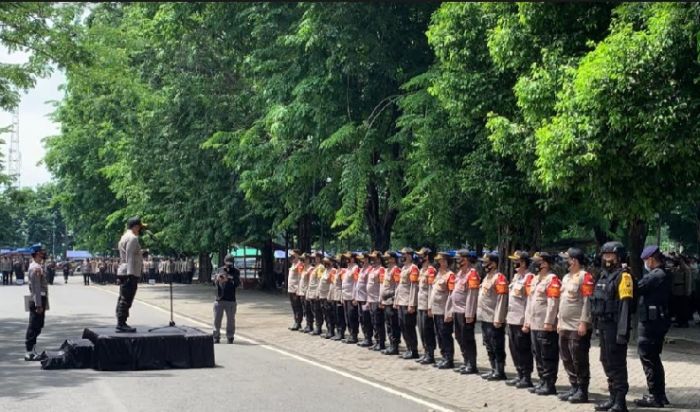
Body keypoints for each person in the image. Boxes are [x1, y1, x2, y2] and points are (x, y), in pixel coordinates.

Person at [591, 241, 634, 412]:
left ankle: (620, 401)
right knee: (606, 361)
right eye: (604, 255)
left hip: (616, 326)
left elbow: (625, 306)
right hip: (603, 325)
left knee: (617, 364)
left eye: (610, 255)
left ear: (619, 256)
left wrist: (622, 332)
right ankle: (612, 397)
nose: (606, 258)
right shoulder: (603, 276)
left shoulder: (624, 276)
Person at [634, 245, 672, 408]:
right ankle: (659, 394)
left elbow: (638, 288)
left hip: (650, 323)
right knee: (654, 358)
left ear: (650, 259)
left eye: (645, 261)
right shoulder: (664, 273)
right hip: (657, 321)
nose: (645, 264)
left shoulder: (656, 275)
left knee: (648, 358)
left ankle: (655, 395)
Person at [556, 248, 595, 403]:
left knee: (579, 358)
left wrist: (584, 322)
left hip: (577, 325)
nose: (566, 262)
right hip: (564, 325)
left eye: (568, 259)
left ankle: (582, 390)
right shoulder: (566, 277)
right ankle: (573, 387)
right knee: (566, 357)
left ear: (575, 260)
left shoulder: (585, 277)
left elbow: (587, 301)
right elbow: (561, 301)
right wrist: (559, 321)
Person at [523, 252, 561, 396]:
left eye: (537, 261)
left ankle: (550, 384)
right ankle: (542, 381)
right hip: (534, 323)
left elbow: (553, 303)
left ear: (545, 263)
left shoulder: (552, 279)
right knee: (537, 353)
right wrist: (527, 322)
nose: (534, 264)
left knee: (548, 355)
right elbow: (530, 302)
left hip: (545, 324)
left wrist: (549, 321)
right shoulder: (535, 279)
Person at [505, 251, 535, 389]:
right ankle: (519, 373)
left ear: (523, 262)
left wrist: (527, 322)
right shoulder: (517, 277)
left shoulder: (529, 278)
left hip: (521, 320)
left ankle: (526, 377)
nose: (514, 264)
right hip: (512, 318)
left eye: (516, 261)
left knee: (523, 350)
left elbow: (530, 301)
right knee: (514, 348)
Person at [448, 249, 480, 375]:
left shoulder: (472, 274)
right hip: (457, 311)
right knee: (459, 336)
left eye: (459, 258)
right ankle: (466, 361)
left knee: (468, 338)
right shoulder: (459, 273)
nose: (457, 261)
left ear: (465, 259)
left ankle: (472, 364)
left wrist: (470, 313)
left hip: (465, 312)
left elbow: (472, 296)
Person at [115, 216, 146, 333]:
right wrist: (131, 274)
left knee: (123, 297)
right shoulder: (133, 238)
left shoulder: (124, 237)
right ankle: (121, 323)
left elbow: (129, 254)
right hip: (129, 271)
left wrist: (141, 253)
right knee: (127, 297)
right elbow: (130, 257)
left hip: (124, 270)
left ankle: (121, 321)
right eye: (140, 227)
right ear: (136, 226)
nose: (140, 230)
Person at [430, 251, 455, 370]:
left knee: (446, 335)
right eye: (438, 261)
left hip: (444, 311)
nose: (439, 263)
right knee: (439, 335)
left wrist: (449, 312)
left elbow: (451, 295)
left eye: (441, 260)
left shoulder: (450, 275)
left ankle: (449, 359)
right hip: (436, 310)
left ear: (446, 261)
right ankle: (443, 357)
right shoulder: (438, 274)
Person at [395, 247, 420, 359]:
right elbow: (400, 286)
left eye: (403, 254)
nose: (401, 257)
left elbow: (414, 287)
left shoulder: (413, 268)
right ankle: (408, 348)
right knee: (403, 326)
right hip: (401, 301)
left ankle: (413, 350)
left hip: (407, 302)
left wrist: (412, 304)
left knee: (409, 326)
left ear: (409, 255)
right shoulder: (404, 268)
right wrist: (396, 301)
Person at [25, 245, 48, 361]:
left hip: (39, 298)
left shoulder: (38, 266)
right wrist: (38, 304)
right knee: (34, 325)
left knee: (38, 325)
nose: (43, 254)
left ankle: (32, 350)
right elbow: (36, 288)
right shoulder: (35, 268)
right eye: (41, 252)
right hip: (37, 299)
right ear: (37, 254)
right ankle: (29, 352)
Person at [415, 248, 437, 365]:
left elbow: (430, 290)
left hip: (426, 305)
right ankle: (425, 352)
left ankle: (430, 354)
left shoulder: (431, 271)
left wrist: (430, 307)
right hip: (420, 304)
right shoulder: (421, 270)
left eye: (421, 255)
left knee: (428, 330)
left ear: (427, 257)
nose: (419, 258)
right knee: (421, 330)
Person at [213, 255, 241, 344]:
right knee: (217, 320)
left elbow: (238, 283)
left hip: (231, 299)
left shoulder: (236, 271)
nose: (228, 264)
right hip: (219, 298)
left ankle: (230, 336)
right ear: (224, 262)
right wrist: (218, 279)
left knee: (231, 320)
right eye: (227, 262)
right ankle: (216, 336)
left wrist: (229, 278)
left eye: (230, 262)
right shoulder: (219, 270)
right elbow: (214, 282)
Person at [380, 251, 401, 355]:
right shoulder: (387, 270)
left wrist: (395, 300)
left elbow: (397, 286)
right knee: (388, 324)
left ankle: (395, 346)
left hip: (391, 300)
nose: (386, 260)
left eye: (388, 258)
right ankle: (391, 344)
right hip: (386, 301)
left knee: (393, 324)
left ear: (393, 259)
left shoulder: (396, 270)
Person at [354, 252, 375, 348]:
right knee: (361, 319)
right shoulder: (361, 269)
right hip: (359, 298)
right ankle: (365, 337)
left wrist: (367, 300)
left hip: (365, 298)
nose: (361, 261)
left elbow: (369, 285)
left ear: (367, 259)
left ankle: (369, 338)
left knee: (367, 319)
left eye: (363, 259)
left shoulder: (370, 269)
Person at [367, 251, 386, 352]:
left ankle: (381, 342)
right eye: (371, 258)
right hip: (371, 299)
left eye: (374, 258)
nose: (372, 260)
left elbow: (382, 285)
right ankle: (377, 341)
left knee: (379, 322)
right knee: (373, 321)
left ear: (379, 259)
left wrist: (380, 299)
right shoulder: (372, 269)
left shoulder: (381, 269)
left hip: (376, 299)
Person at [341, 252, 360, 344]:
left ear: (353, 258)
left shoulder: (355, 268)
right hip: (346, 296)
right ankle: (350, 334)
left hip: (351, 296)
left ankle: (354, 335)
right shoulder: (347, 269)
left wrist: (355, 297)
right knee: (347, 316)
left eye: (348, 258)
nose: (346, 260)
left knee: (352, 316)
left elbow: (356, 283)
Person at [287, 250, 304, 331]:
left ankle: (298, 322)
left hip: (295, 289)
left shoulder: (300, 264)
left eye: (293, 254)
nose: (291, 256)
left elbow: (300, 278)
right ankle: (296, 321)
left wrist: (298, 289)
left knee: (297, 306)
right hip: (291, 289)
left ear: (297, 255)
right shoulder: (293, 264)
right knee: (293, 306)